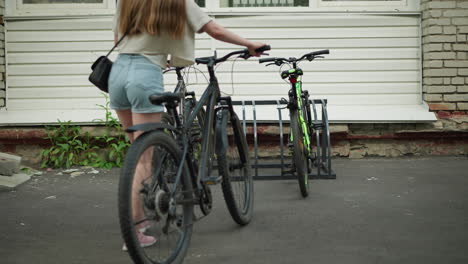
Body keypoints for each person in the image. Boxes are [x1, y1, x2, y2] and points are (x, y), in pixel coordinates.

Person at [109, 0, 268, 250]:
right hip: (144, 71)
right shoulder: (178, 1)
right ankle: (134, 232)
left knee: (136, 152)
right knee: (143, 160)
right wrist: (249, 44)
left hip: (117, 71)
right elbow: (213, 30)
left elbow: (118, 35)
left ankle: (137, 220)